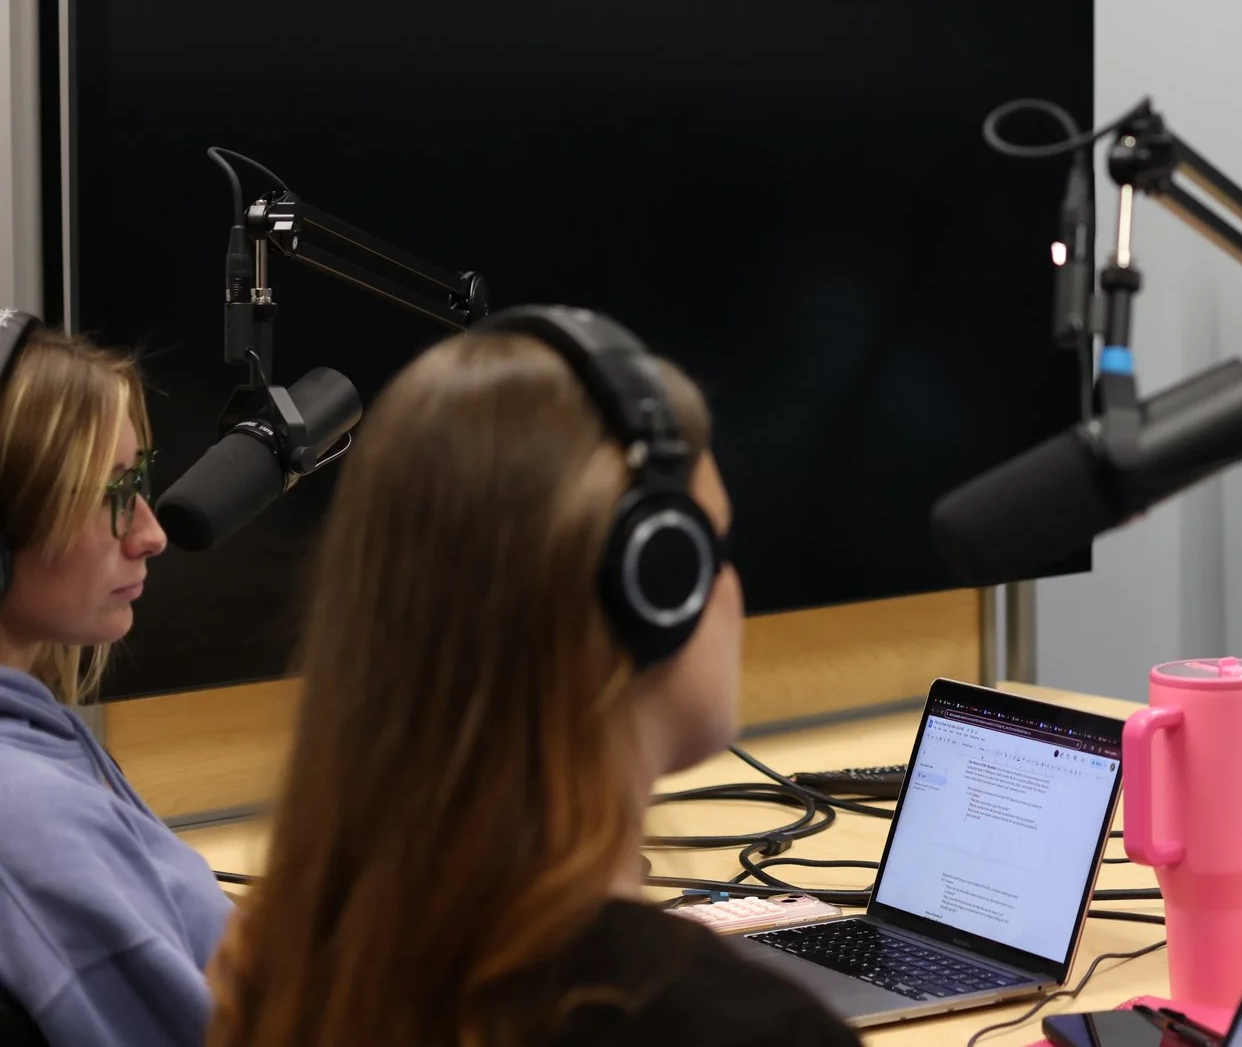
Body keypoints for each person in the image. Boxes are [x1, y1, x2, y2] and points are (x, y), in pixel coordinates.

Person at [209, 312, 861, 1047]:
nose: (732, 587)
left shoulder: (277, 965)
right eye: (714, 544)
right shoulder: (741, 1029)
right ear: (653, 587)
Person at [0, 320, 233, 1047]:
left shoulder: (42, 738)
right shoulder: (29, 817)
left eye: (140, 481)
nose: (151, 534)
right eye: (112, 493)